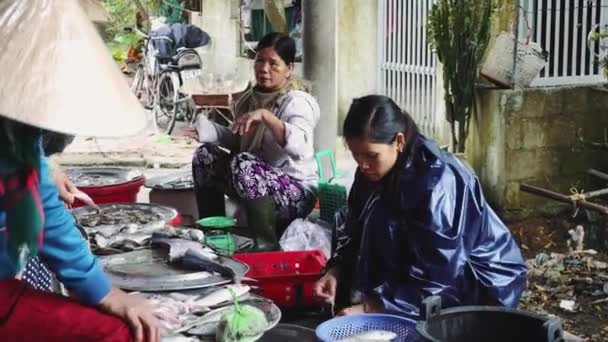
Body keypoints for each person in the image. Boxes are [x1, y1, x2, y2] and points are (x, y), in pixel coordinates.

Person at [313, 95, 527, 317]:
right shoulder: (370, 171)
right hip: (427, 272)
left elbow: (440, 272)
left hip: (478, 281)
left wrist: (372, 307)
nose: (362, 164)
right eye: (355, 155)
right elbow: (355, 226)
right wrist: (337, 270)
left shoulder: (438, 182)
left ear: (398, 141)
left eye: (371, 155)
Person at [192, 32, 320, 251]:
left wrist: (267, 116)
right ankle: (214, 234)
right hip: (254, 183)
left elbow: (301, 147)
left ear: (289, 69)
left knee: (244, 163)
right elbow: (240, 140)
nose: (264, 68)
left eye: (273, 63)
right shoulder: (248, 99)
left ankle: (266, 246)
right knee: (205, 155)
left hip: (295, 193)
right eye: (260, 60)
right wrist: (209, 131)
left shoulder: (297, 102)